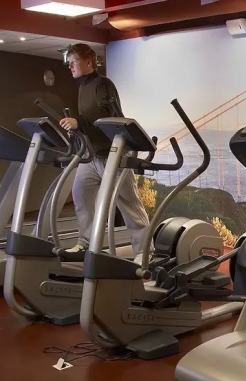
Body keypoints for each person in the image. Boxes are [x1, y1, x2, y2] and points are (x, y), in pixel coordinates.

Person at [58, 43, 150, 264]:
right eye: (69, 62)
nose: (70, 66)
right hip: (92, 155)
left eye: (74, 61)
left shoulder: (103, 84)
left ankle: (145, 252)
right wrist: (77, 130)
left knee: (128, 204)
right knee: (81, 194)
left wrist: (79, 121)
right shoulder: (82, 87)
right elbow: (92, 122)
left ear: (89, 62)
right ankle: (87, 242)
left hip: (113, 154)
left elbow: (107, 111)